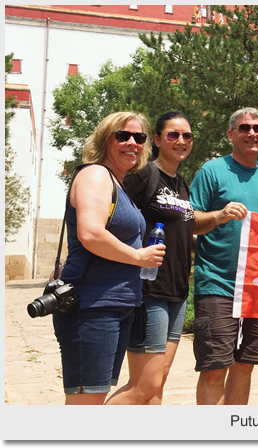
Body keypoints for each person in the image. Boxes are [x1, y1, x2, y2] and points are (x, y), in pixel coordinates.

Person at [53, 111, 166, 405]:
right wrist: (138, 256)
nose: (132, 143)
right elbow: (90, 233)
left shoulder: (118, 184)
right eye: (123, 136)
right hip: (91, 305)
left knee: (95, 400)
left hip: (115, 305)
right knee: (84, 406)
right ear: (105, 139)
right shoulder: (95, 174)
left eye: (139, 138)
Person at [190, 107, 258, 405]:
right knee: (214, 370)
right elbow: (188, 220)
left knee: (245, 367)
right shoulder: (211, 171)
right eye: (244, 128)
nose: (252, 133)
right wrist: (219, 215)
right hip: (218, 285)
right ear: (231, 134)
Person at [106, 112, 195, 405]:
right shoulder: (144, 176)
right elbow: (116, 221)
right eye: (173, 134)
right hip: (149, 290)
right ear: (156, 140)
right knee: (145, 384)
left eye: (187, 136)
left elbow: (188, 228)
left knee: (159, 381)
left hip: (177, 291)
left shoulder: (182, 184)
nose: (181, 141)